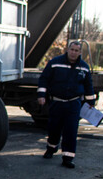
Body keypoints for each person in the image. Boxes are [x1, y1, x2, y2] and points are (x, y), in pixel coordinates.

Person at [36, 40, 96, 169]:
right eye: (72, 49)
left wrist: (91, 102)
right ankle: (51, 149)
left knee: (71, 130)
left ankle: (68, 158)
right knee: (54, 128)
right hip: (56, 102)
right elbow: (44, 79)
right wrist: (41, 95)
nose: (73, 53)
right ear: (67, 50)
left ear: (80, 52)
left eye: (76, 51)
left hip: (74, 104)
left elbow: (88, 86)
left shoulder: (84, 67)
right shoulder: (55, 63)